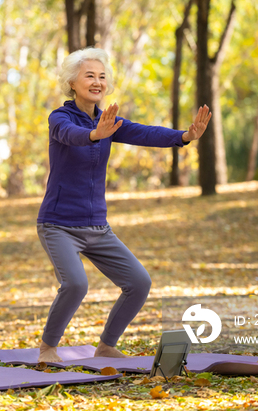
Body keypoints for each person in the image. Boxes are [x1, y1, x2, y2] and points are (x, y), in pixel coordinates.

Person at [36, 47, 210, 362]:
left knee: (139, 282)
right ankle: (48, 347)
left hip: (97, 227)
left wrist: (184, 136)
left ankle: (106, 346)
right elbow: (70, 135)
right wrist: (93, 134)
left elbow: (146, 133)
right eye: (89, 75)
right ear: (72, 82)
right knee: (75, 284)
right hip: (58, 224)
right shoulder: (59, 117)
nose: (97, 82)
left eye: (102, 76)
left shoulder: (110, 121)